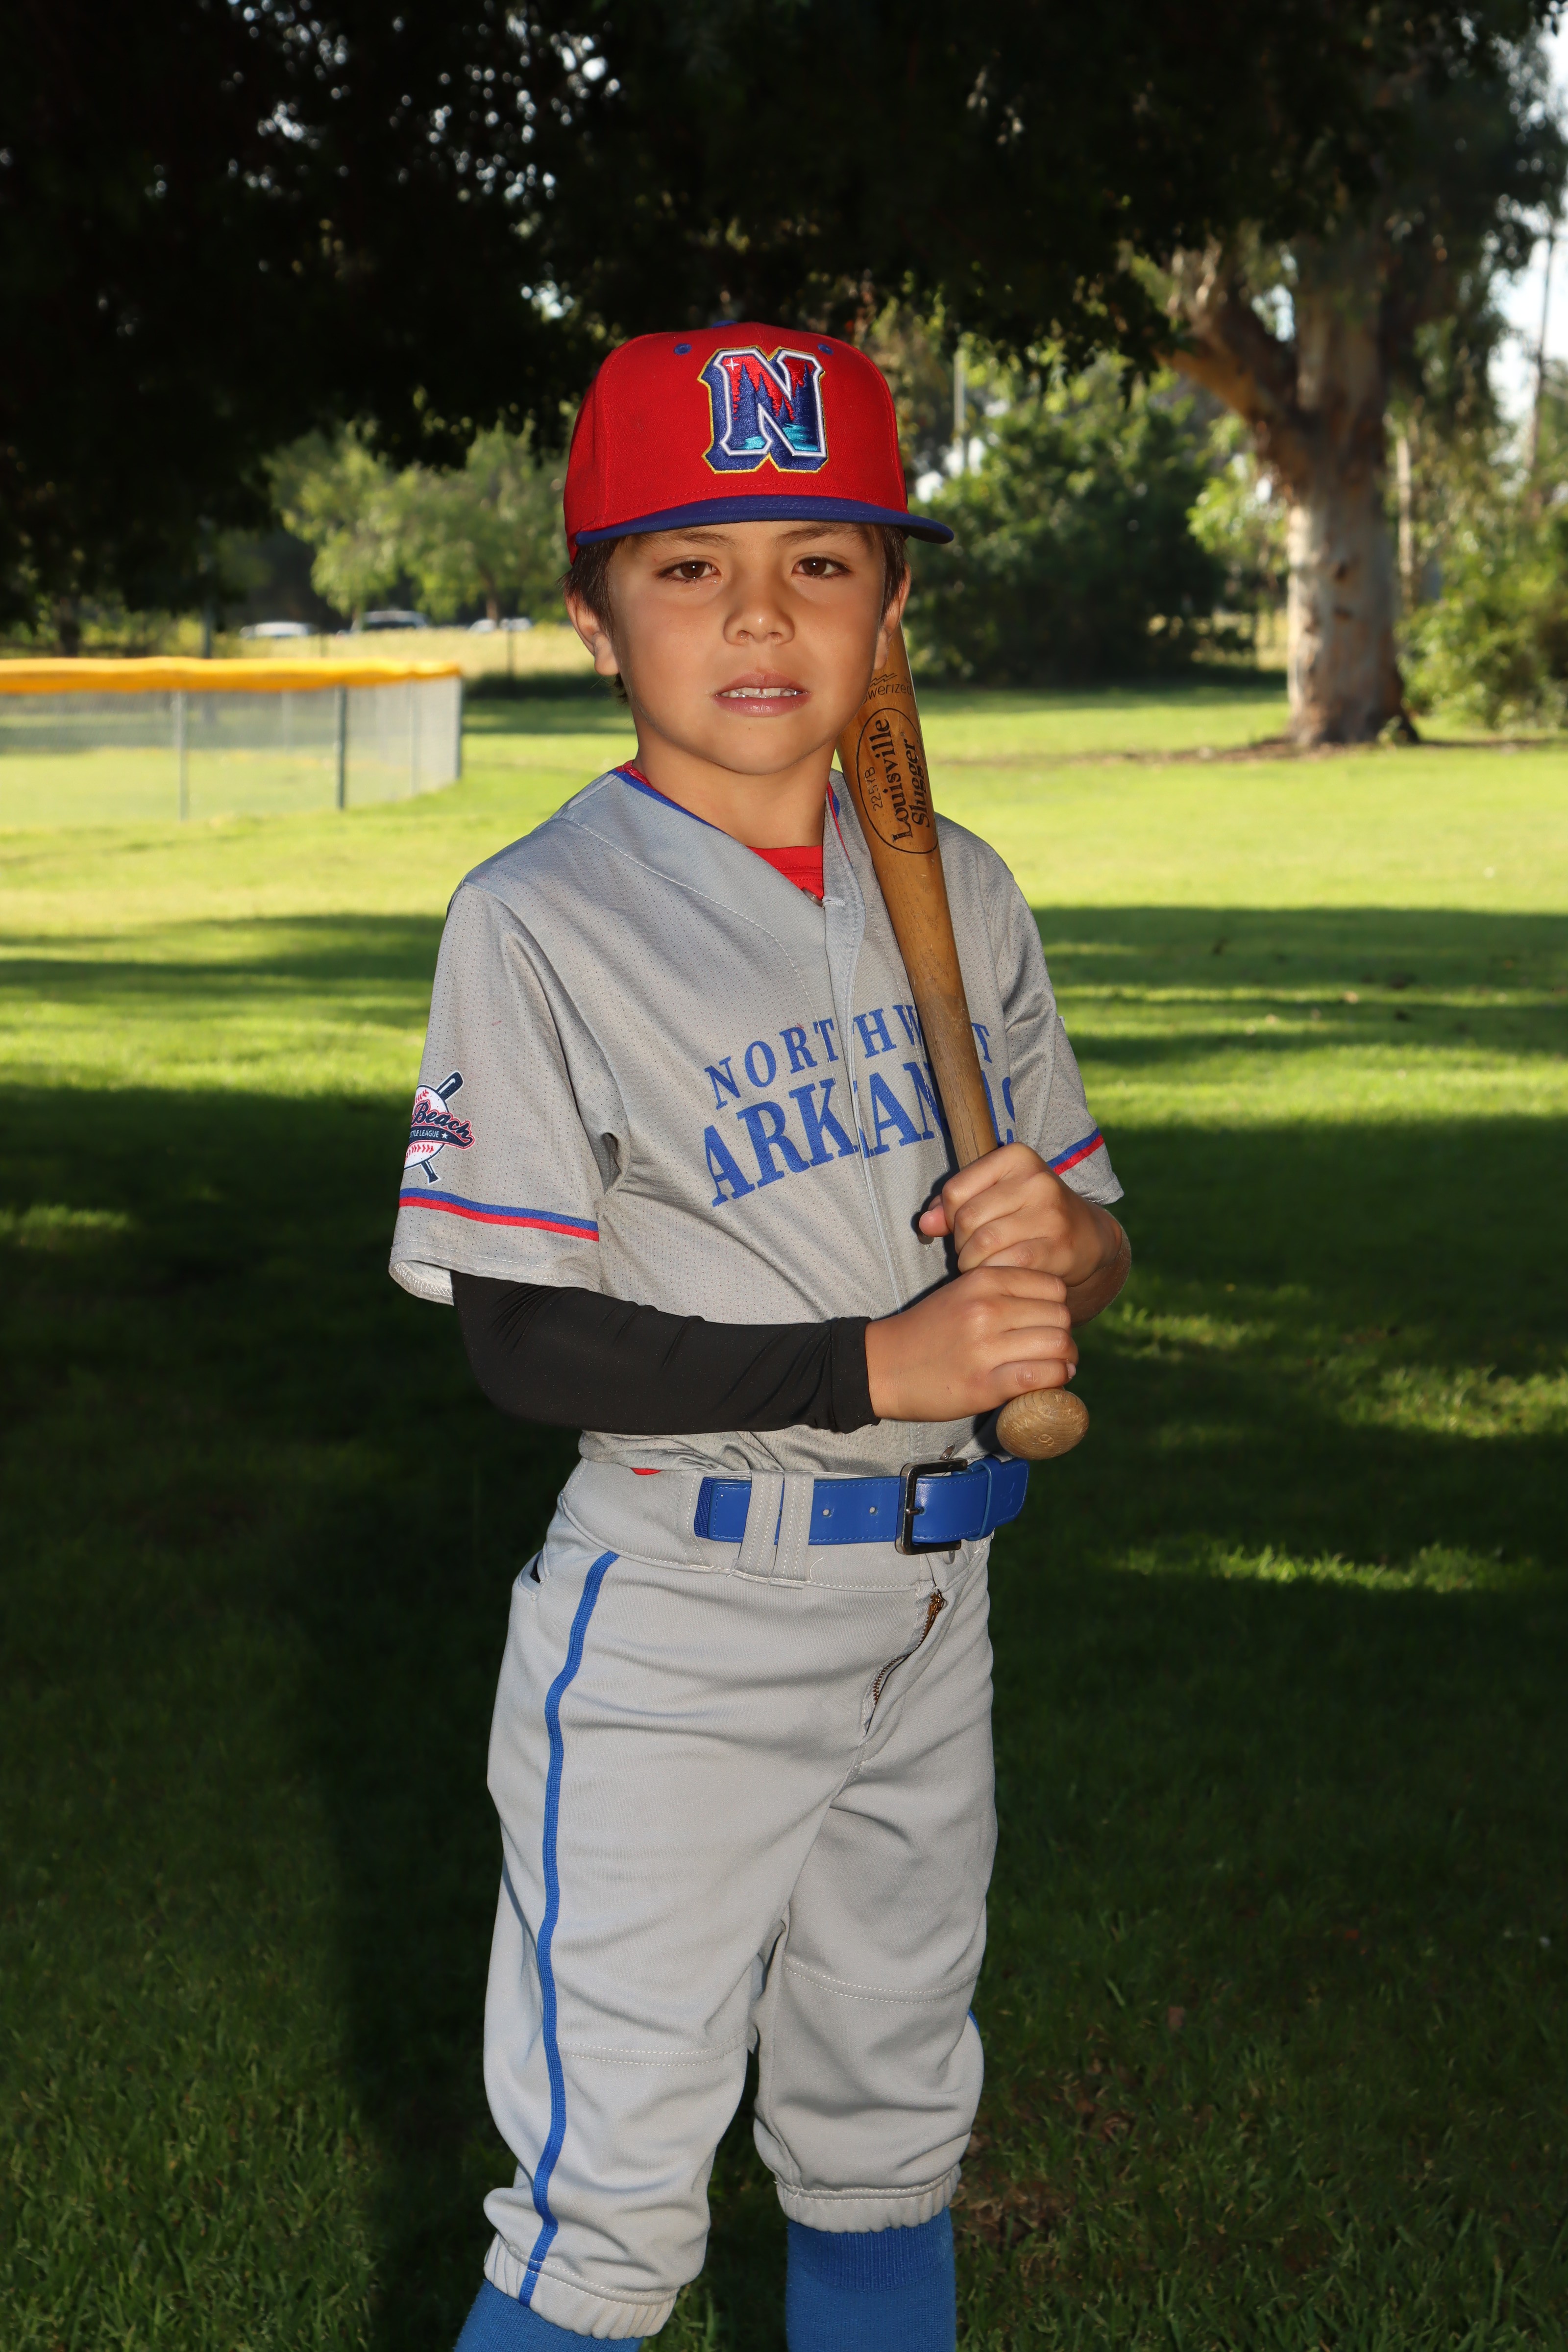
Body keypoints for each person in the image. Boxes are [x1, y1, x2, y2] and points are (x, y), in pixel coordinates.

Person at [390, 324, 1130, 2352]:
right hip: (681, 1619)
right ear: (592, 615)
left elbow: (1085, 1248)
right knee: (610, 2208)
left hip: (933, 1604)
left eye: (818, 563)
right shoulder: (539, 918)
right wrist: (870, 1365)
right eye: (687, 565)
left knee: (888, 2132)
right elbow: (524, 1341)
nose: (756, 615)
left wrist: (1063, 1250)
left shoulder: (957, 887)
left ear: (889, 613)